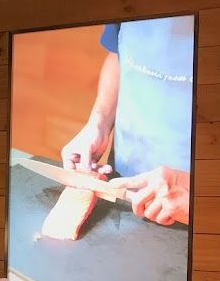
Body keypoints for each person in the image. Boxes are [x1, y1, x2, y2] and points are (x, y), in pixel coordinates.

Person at [60, 16, 194, 226]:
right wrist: (99, 122)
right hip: (124, 181)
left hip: (198, 207)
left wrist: (200, 196)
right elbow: (118, 52)